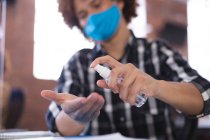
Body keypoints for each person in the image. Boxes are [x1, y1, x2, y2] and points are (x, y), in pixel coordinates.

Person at [41, 0, 210, 139]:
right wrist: (74, 117)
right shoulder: (78, 63)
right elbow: (58, 126)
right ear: (79, 24)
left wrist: (155, 86)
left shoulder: (158, 52)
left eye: (97, 4)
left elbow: (206, 96)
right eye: (83, 15)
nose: (92, 16)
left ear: (120, 2)